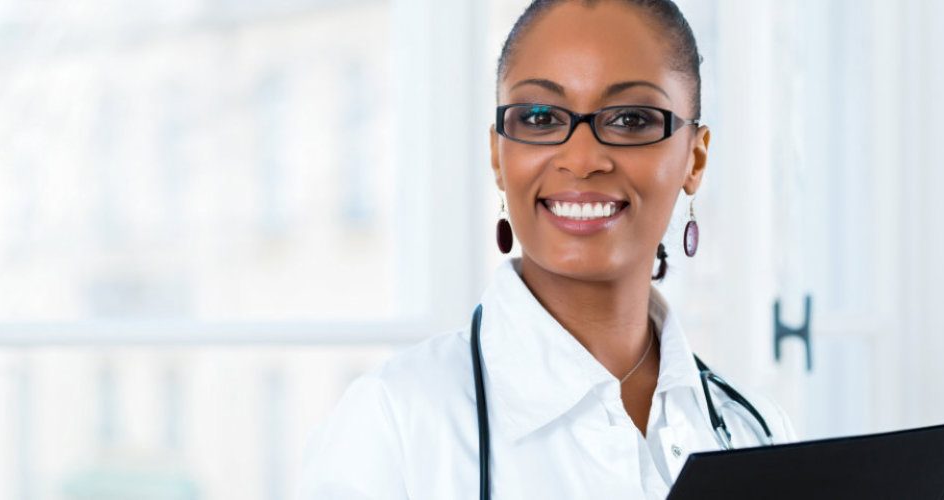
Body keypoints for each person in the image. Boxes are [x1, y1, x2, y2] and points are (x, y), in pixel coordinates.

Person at [295, 0, 794, 498]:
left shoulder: (755, 430)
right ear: (498, 154)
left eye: (631, 120)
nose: (581, 159)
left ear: (695, 159)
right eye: (539, 117)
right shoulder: (396, 423)